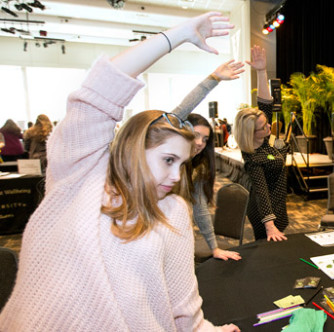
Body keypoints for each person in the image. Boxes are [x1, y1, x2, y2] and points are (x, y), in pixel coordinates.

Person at [0, 12, 240, 331]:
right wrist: (176, 36)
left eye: (182, 164)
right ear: (134, 148)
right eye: (168, 160)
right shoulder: (80, 176)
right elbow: (99, 90)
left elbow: (184, 304)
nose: (176, 174)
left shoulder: (174, 211)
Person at [170, 59, 244, 261]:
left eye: (205, 139)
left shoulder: (198, 168)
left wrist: (214, 248)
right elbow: (179, 112)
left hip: (181, 236)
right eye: (195, 135)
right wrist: (213, 80)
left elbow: (200, 209)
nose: (200, 143)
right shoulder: (164, 160)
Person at [234, 45, 289, 242]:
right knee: (267, 248)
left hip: (279, 203)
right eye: (263, 127)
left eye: (267, 123)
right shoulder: (254, 157)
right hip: (265, 211)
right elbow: (261, 192)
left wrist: (261, 70)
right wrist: (269, 225)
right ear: (251, 133)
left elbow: (265, 103)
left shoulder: (264, 138)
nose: (269, 128)